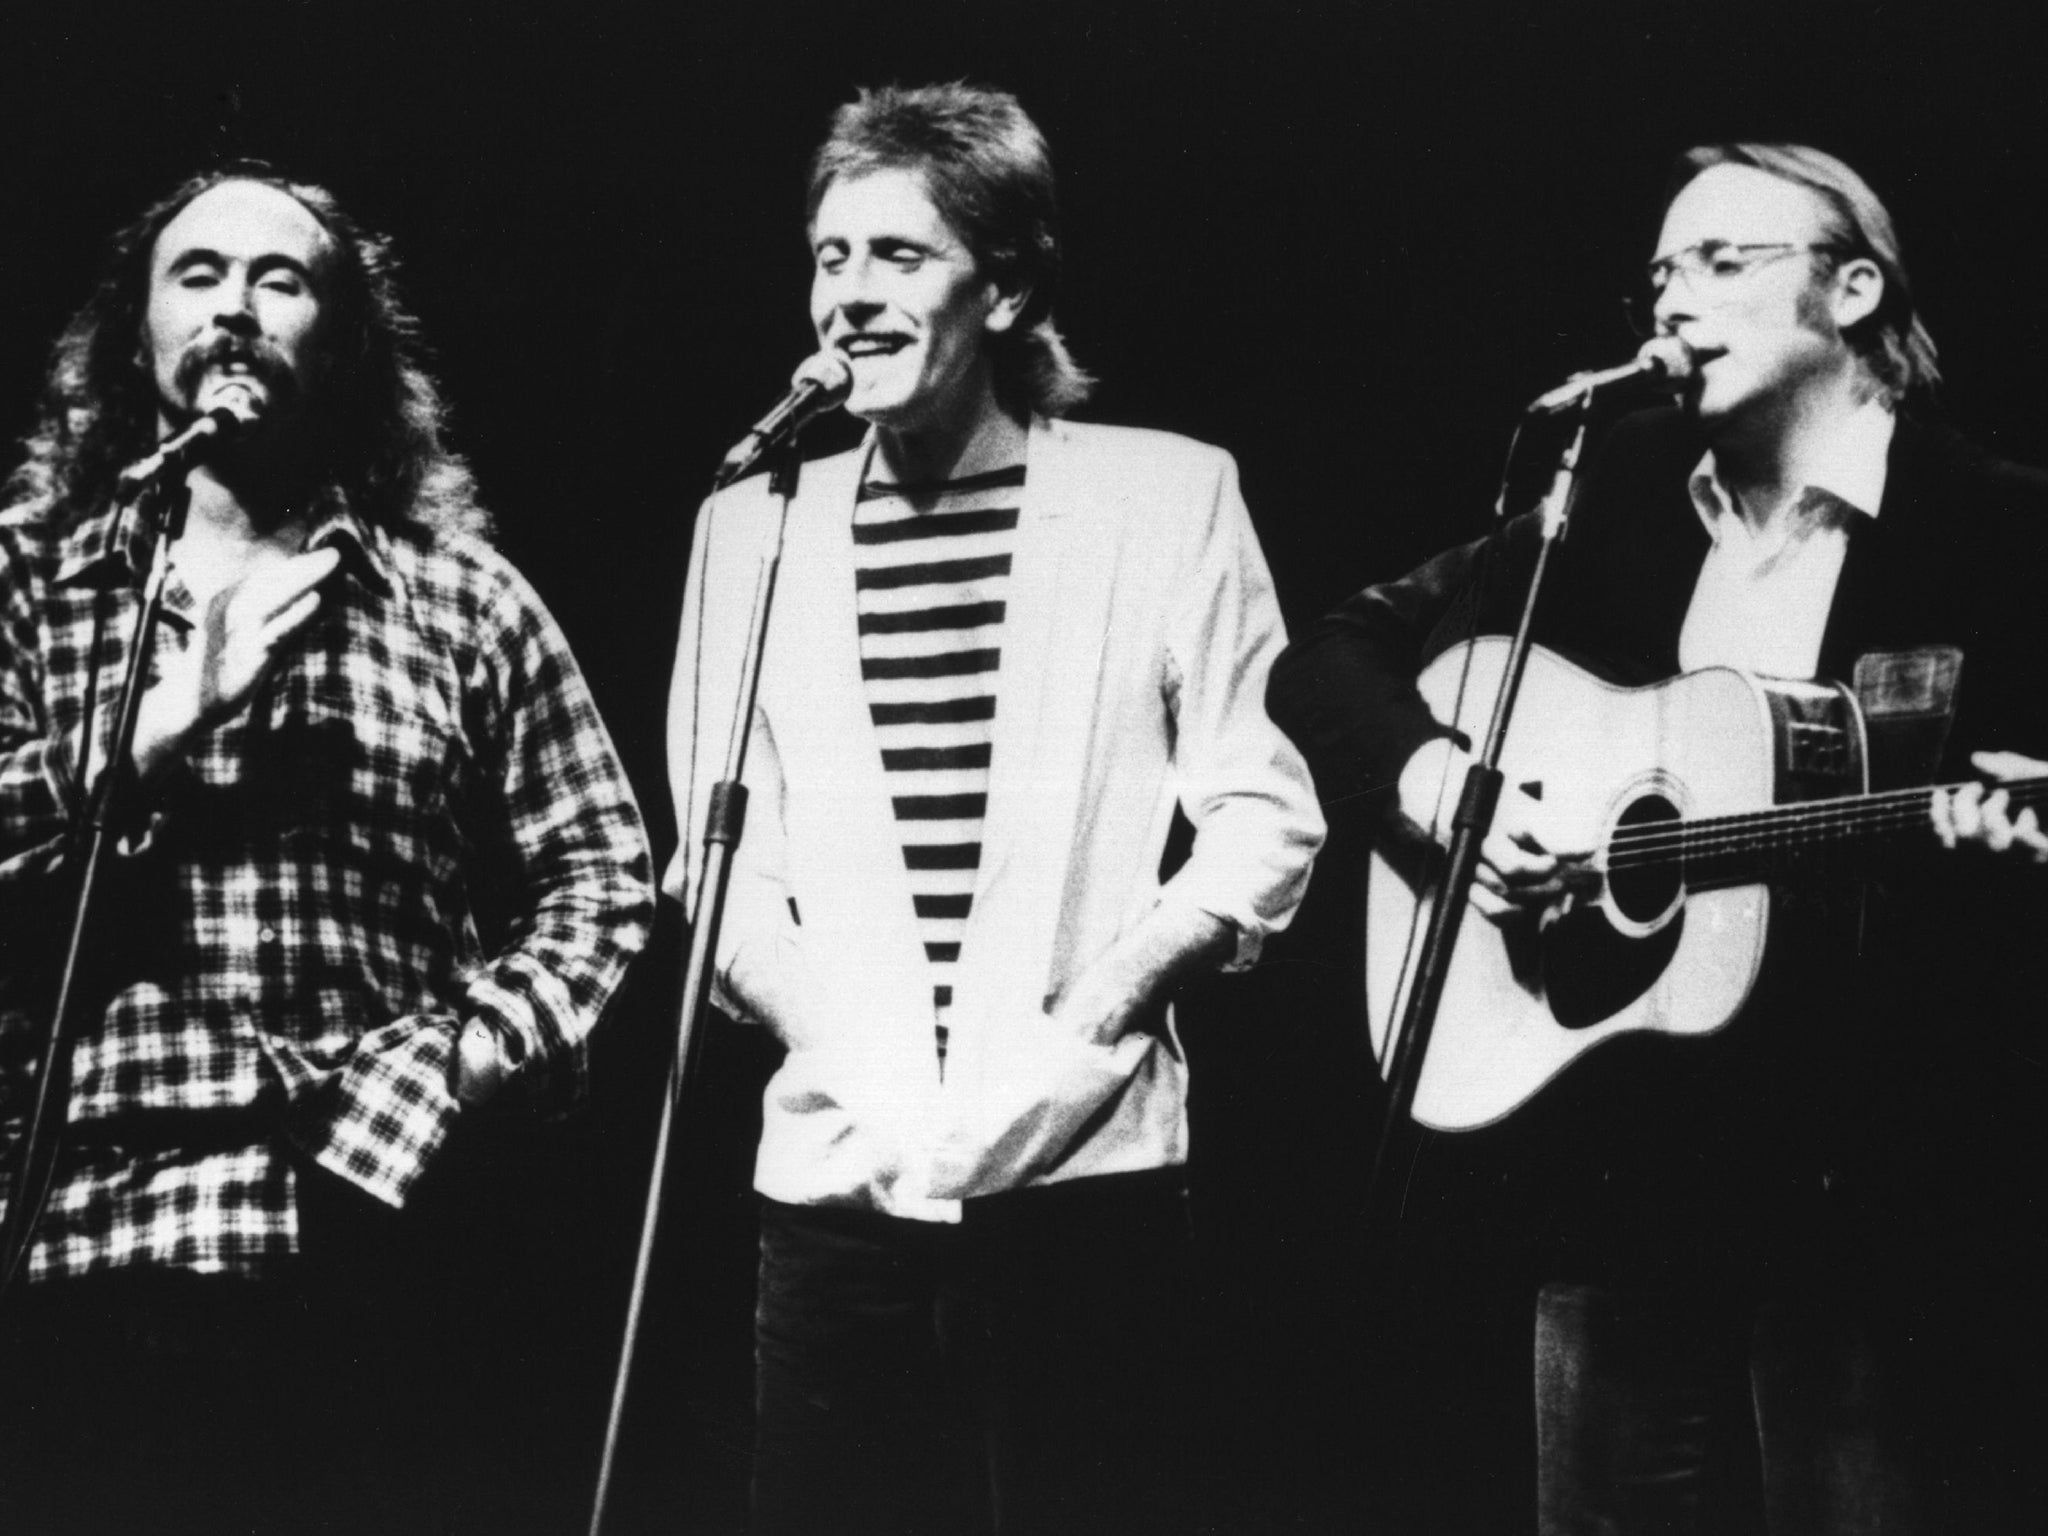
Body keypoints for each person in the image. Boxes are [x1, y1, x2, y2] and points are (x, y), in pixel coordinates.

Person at [1270, 142, 2048, 1534]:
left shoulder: (2000, 531)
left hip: (1871, 1209)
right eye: (1658, 274)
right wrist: (1458, 799)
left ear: (1854, 291)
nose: (1670, 303)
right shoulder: (1614, 494)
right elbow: (1334, 655)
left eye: (1723, 263)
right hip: (1619, 1183)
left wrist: (2012, 847)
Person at [667, 83, 1323, 1535]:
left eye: (897, 256)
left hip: (1086, 1171)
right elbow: (719, 872)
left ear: (1009, 283)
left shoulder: (1166, 499)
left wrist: (1094, 1013)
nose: (848, 297)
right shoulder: (749, 530)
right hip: (843, 1181)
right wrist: (861, 1059)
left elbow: (1263, 810)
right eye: (829, 258)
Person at [0, 166, 653, 1533]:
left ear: (345, 342)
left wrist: (466, 1061)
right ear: (136, 335)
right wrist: (159, 728)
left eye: (278, 280)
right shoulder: (33, 578)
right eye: (197, 275)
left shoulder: (458, 593)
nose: (233, 307)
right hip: (86, 1223)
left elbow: (601, 871)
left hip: (368, 1210)